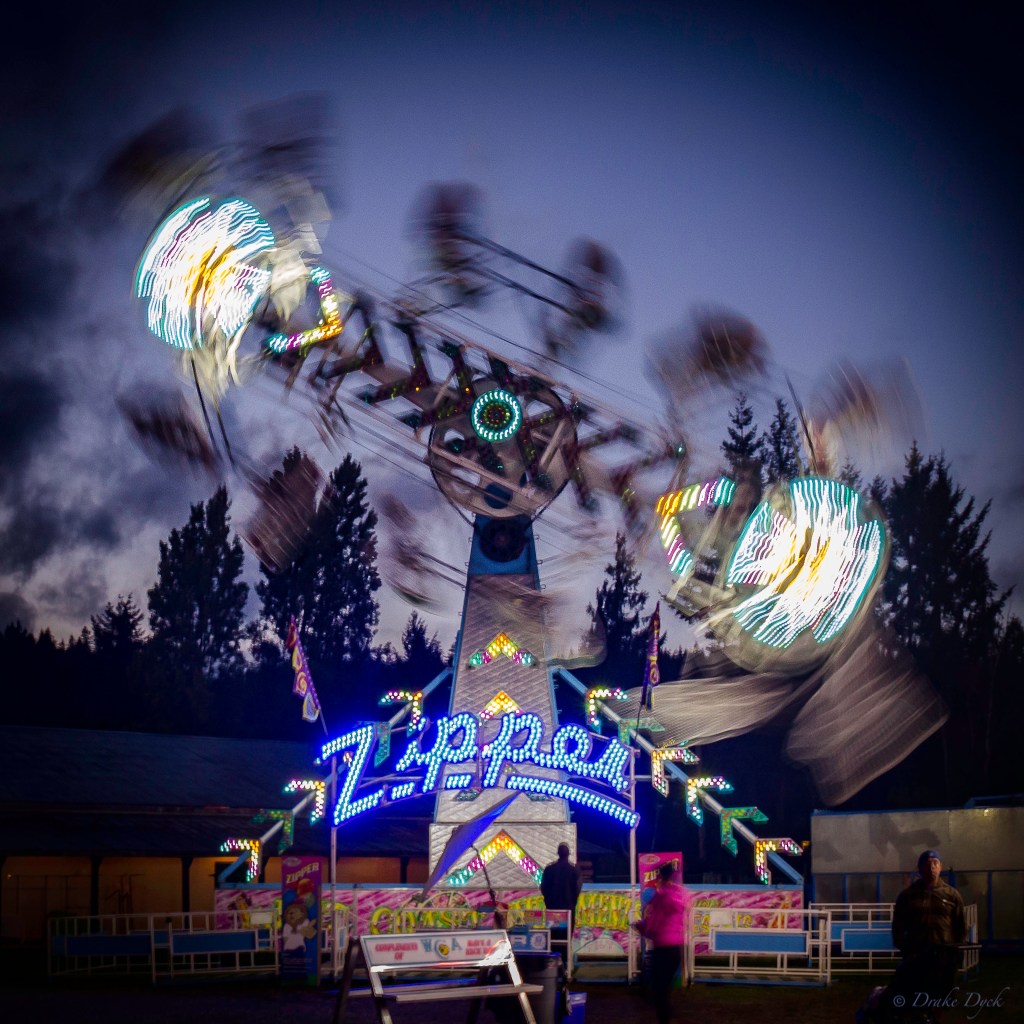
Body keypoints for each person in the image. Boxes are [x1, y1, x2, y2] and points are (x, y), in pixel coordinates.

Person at [888, 849, 966, 1019]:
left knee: (940, 998)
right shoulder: (908, 896)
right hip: (918, 954)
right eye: (927, 864)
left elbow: (960, 927)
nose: (931, 868)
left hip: (943, 955)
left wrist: (956, 953)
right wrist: (904, 948)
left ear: (940, 867)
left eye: (935, 864)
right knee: (916, 996)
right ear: (920, 868)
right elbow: (898, 925)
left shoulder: (952, 895)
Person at [634, 861, 689, 1024]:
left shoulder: (661, 896)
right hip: (676, 948)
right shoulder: (682, 894)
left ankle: (664, 1020)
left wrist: (641, 928)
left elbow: (652, 925)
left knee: (659, 990)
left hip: (662, 948)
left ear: (661, 876)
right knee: (665, 989)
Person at [541, 842, 582, 957]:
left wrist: (549, 903)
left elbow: (543, 888)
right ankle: (565, 964)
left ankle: (553, 962)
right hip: (568, 910)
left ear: (558, 853)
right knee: (566, 937)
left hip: (553, 909)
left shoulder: (549, 869)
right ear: (568, 854)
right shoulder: (574, 870)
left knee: (553, 936)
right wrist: (572, 903)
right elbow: (577, 889)